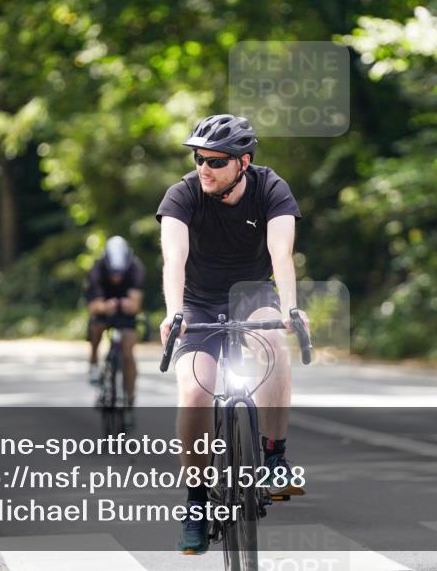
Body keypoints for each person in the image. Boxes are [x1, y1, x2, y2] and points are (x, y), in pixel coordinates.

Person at [156, 114, 308, 554]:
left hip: (251, 293)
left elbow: (282, 252)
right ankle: (196, 502)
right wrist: (174, 311)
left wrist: (291, 308)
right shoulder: (182, 194)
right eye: (198, 158)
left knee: (275, 344)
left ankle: (275, 456)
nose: (203, 167)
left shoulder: (270, 188)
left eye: (215, 161)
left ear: (243, 162)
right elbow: (174, 260)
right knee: (194, 393)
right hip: (198, 302)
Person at [85, 236, 145, 411]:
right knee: (96, 327)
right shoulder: (97, 269)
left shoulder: (136, 268)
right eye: (113, 273)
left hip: (125, 314)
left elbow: (136, 304)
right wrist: (104, 306)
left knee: (128, 349)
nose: (116, 277)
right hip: (104, 308)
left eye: (120, 273)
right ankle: (94, 362)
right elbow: (93, 306)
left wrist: (128, 305)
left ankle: (130, 397)